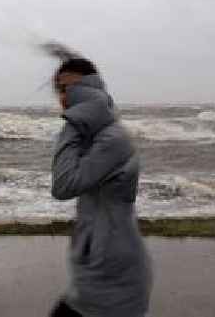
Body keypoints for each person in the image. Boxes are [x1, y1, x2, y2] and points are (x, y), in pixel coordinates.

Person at [50, 58, 152, 317]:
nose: (64, 98)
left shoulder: (113, 139)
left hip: (113, 273)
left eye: (69, 89)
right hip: (96, 267)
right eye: (59, 91)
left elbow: (63, 185)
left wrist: (72, 122)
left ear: (90, 91)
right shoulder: (96, 135)